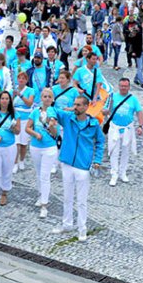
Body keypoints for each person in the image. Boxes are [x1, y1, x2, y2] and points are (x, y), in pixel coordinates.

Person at [49, 95, 105, 242]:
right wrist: (52, 118)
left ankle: (82, 229)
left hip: (83, 166)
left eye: (79, 105)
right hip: (67, 163)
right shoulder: (68, 118)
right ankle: (67, 224)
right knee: (67, 197)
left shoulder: (93, 124)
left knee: (81, 201)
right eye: (75, 104)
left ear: (86, 107)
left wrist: (97, 160)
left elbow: (100, 142)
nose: (75, 107)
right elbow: (52, 109)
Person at [26, 87, 59, 218]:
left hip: (49, 148)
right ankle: (41, 196)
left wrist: (51, 127)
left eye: (49, 97)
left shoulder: (54, 113)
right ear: (41, 98)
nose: (47, 99)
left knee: (45, 175)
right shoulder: (35, 112)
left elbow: (55, 134)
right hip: (35, 146)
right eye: (44, 96)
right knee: (39, 174)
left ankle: (44, 204)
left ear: (52, 99)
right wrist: (35, 134)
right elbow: (27, 128)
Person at [106, 78, 143, 186]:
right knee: (114, 151)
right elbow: (106, 110)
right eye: (122, 86)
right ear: (119, 86)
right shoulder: (112, 97)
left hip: (127, 128)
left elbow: (139, 112)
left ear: (129, 87)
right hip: (115, 128)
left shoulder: (133, 99)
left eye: (125, 86)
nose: (123, 88)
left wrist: (140, 126)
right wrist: (104, 110)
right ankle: (114, 174)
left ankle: (123, 172)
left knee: (125, 151)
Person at [12, 71, 36, 173]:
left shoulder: (30, 90)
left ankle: (21, 160)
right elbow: (9, 103)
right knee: (16, 142)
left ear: (26, 80)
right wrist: (13, 96)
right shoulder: (13, 90)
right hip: (16, 118)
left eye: (23, 78)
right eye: (19, 78)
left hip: (26, 118)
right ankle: (15, 163)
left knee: (23, 142)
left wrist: (20, 95)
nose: (21, 80)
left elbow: (29, 103)